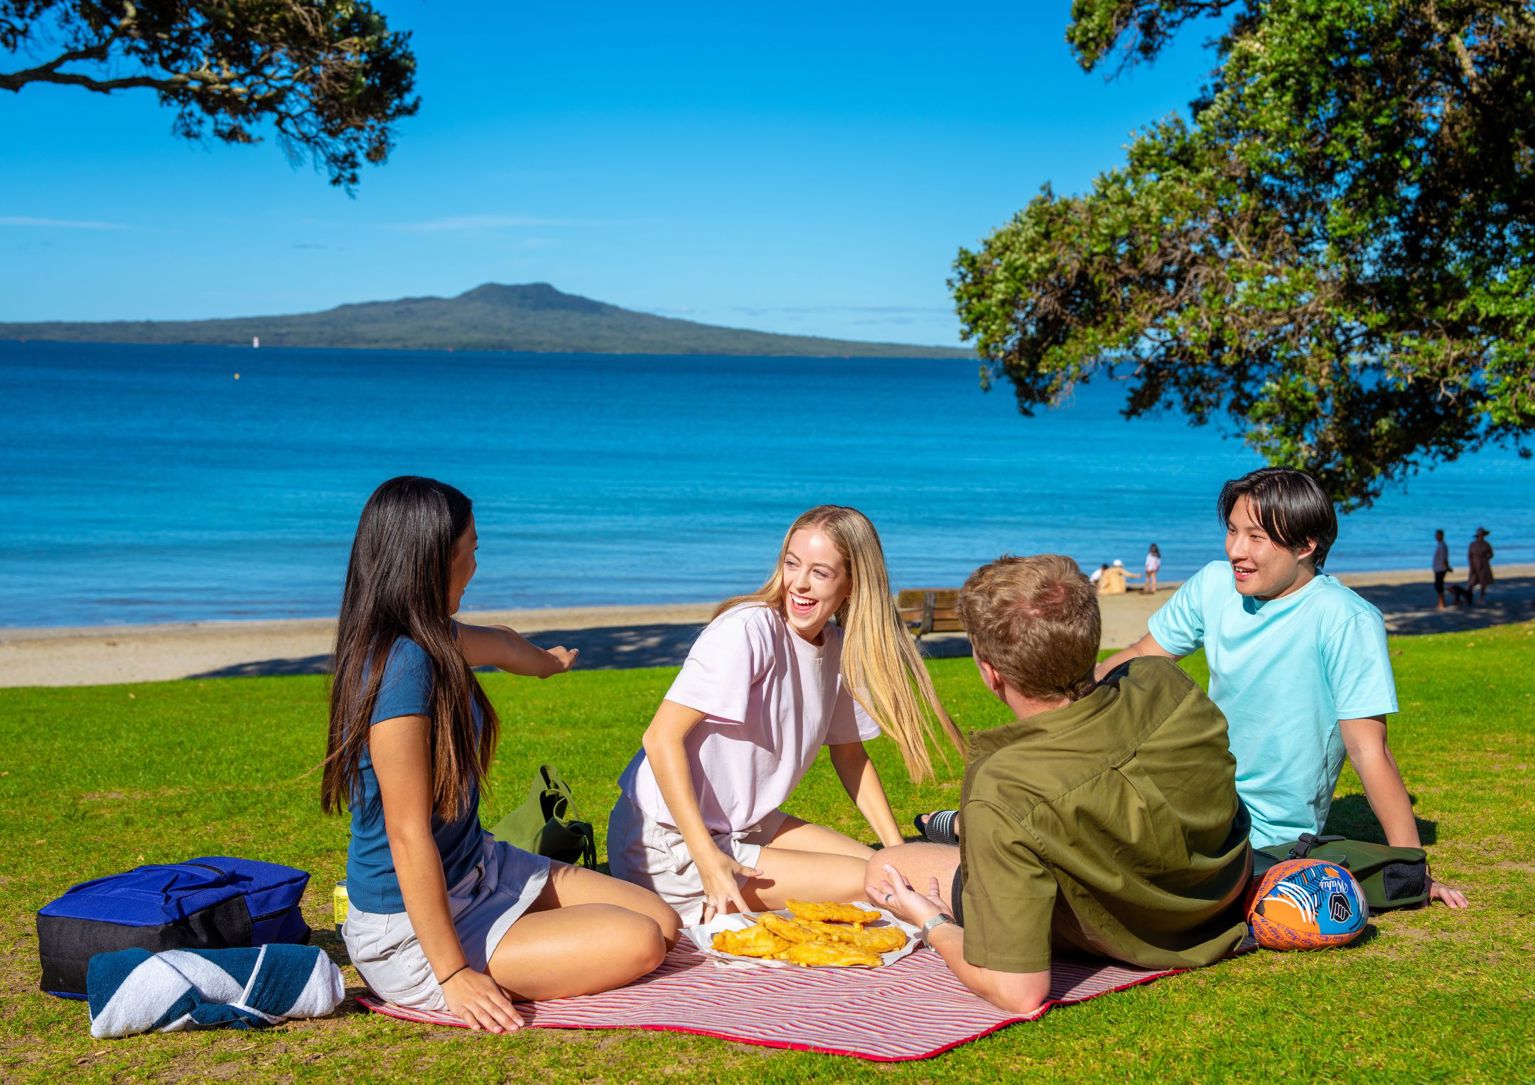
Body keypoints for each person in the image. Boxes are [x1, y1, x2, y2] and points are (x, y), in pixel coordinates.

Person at [321, 477, 680, 1032]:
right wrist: (452, 974)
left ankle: (522, 937)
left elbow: (506, 644)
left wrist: (550, 662)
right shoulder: (400, 669)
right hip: (411, 929)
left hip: (480, 867)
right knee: (641, 942)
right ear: (433, 561)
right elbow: (407, 834)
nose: (475, 568)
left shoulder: (433, 638)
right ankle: (466, 960)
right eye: (471, 553)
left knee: (661, 919)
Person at [866, 555, 1252, 1015]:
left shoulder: (1004, 786)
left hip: (1144, 928)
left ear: (991, 673)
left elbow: (1018, 992)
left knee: (885, 866)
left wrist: (931, 922)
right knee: (1016, 823)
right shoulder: (1161, 680)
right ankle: (961, 829)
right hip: (1221, 890)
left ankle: (962, 833)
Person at [1098, 467, 1466, 907]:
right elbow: (1142, 652)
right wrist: (1063, 692)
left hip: (1267, 837)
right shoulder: (1215, 585)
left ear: (1306, 545)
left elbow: (1369, 749)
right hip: (1191, 792)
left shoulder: (1344, 618)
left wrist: (1410, 871)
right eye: (1233, 531)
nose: (1236, 550)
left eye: (1257, 537)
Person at [608, 505, 964, 925]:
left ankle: (989, 903)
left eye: (820, 572)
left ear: (852, 583)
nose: (799, 583)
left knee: (890, 870)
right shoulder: (747, 631)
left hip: (745, 824)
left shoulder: (838, 648)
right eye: (792, 564)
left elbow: (850, 757)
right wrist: (707, 859)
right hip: (670, 843)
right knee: (874, 883)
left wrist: (896, 851)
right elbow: (660, 738)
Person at [1467, 527, 1494, 603]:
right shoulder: (1472, 544)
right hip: (1474, 564)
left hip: (1484, 564)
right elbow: (1469, 556)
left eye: (1482, 535)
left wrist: (1486, 559)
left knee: (1483, 582)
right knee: (1471, 582)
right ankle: (1469, 597)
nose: (1481, 536)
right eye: (1480, 535)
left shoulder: (1487, 544)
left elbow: (1491, 554)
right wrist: (1471, 565)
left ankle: (1481, 598)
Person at [1432, 529, 1452, 609]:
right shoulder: (1440, 545)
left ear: (1441, 536)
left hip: (1441, 569)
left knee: (1439, 586)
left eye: (1438, 535)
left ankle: (1441, 603)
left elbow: (1444, 558)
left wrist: (1447, 567)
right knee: (1438, 586)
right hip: (1438, 568)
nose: (1436, 536)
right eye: (1436, 535)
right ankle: (1441, 602)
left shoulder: (1443, 545)